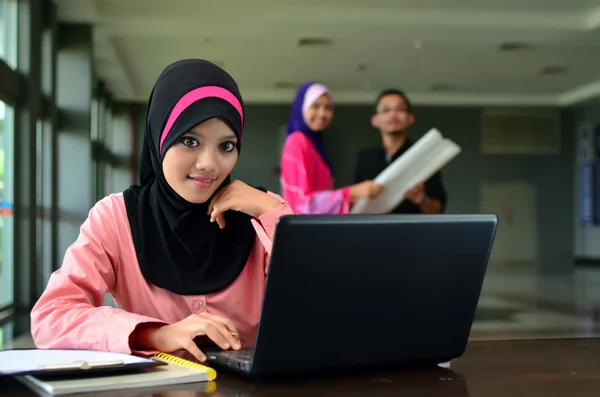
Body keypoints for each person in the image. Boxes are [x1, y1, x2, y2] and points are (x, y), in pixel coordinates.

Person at [30, 59, 294, 363]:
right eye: (190, 140)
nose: (209, 163)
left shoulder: (262, 214)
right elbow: (51, 317)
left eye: (226, 146)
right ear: (160, 138)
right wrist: (156, 334)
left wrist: (273, 211)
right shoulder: (118, 218)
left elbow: (321, 304)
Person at [280, 82, 382, 214]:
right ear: (302, 108)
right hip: (303, 230)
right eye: (315, 106)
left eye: (328, 108)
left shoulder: (313, 146)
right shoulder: (297, 141)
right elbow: (303, 203)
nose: (322, 114)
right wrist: (351, 193)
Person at [354, 89, 447, 214]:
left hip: (413, 230)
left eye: (400, 109)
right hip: (373, 230)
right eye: (386, 110)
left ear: (410, 118)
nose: (393, 115)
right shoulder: (364, 157)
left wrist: (422, 199)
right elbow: (352, 203)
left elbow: (438, 210)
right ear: (375, 120)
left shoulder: (423, 155)